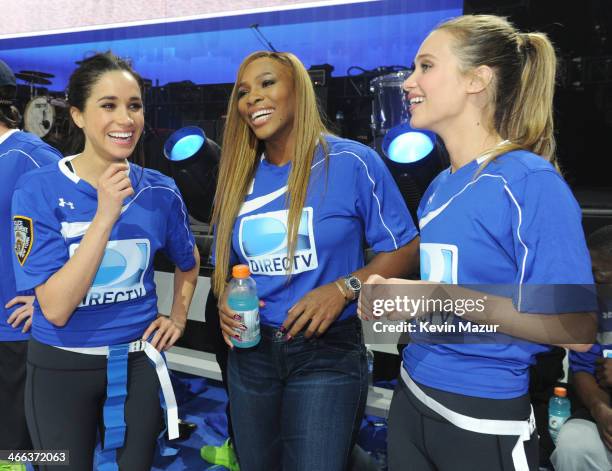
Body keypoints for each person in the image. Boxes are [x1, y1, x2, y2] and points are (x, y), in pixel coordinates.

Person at [360, 15, 597, 471]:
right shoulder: (439, 187)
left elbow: (578, 326)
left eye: (426, 66)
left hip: (482, 417)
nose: (409, 82)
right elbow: (450, 309)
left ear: (477, 79)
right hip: (412, 398)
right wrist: (397, 306)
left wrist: (442, 297)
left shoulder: (528, 180)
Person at [211, 51, 419, 471]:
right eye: (243, 92)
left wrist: (345, 288)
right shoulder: (237, 175)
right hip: (250, 355)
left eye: (267, 83)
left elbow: (407, 248)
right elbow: (232, 267)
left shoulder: (351, 162)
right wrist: (225, 301)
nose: (252, 99)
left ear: (298, 91)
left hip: (327, 354)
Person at [10, 52, 200, 471]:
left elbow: (189, 260)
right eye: (108, 105)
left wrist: (178, 318)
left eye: (134, 106)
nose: (126, 119)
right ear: (77, 115)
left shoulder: (160, 190)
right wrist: (105, 215)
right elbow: (57, 310)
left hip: (138, 364)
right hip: (62, 365)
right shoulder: (37, 189)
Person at [0, 59, 62, 471]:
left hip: (18, 333)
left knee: (23, 452)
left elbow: (86, 234)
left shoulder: (34, 158)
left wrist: (45, 303)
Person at [551, 224, 612, 471]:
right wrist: (600, 409)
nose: (591, 279)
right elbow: (583, 369)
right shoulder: (594, 304)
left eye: (598, 273)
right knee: (573, 442)